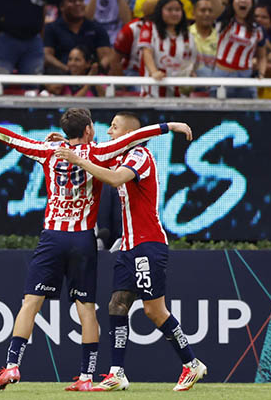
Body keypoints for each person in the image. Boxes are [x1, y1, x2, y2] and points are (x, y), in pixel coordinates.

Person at [0, 107, 193, 392]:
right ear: (88, 130)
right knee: (86, 308)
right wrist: (169, 125)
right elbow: (134, 137)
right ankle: (87, 377)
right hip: (82, 240)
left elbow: (12, 139)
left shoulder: (48, 151)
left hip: (52, 237)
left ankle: (13, 365)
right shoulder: (99, 152)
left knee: (30, 303)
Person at [53, 111, 206, 392]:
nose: (109, 131)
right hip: (128, 246)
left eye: (114, 127)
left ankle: (192, 363)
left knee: (154, 311)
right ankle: (117, 372)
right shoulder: (120, 156)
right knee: (116, 305)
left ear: (129, 133)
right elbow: (95, 157)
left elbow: (114, 179)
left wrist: (78, 159)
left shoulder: (139, 156)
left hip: (148, 243)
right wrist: (68, 145)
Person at [209, 0, 267, 99]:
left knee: (250, 115)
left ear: (252, 3)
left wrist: (261, 73)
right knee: (218, 115)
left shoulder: (258, 29)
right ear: (232, 2)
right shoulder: (224, 20)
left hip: (245, 77)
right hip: (222, 76)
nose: (243, 0)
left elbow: (262, 56)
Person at [43, 0, 115, 75]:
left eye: (80, 0)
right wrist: (68, 70)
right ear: (62, 6)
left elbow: (106, 56)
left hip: (91, 80)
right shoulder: (52, 28)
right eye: (72, 1)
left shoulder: (96, 28)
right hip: (61, 79)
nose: (78, 3)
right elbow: (47, 56)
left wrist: (93, 72)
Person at [138, 0, 198, 97]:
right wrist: (154, 72)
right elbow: (146, 52)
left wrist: (191, 74)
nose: (174, 13)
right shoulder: (150, 27)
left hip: (180, 96)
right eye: (169, 10)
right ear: (160, 11)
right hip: (153, 92)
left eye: (177, 10)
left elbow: (190, 61)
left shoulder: (187, 34)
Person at [189, 0, 220, 78]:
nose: (207, 14)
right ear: (193, 13)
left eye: (210, 11)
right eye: (203, 10)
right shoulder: (185, 34)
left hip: (215, 84)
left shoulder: (220, 36)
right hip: (190, 85)